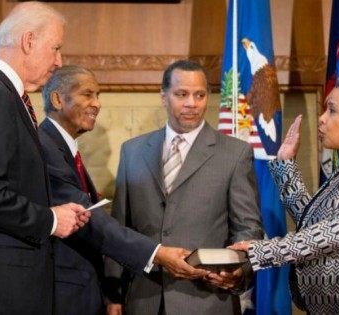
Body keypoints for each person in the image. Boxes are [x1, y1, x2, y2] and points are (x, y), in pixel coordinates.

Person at [38, 65, 208, 315]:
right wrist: (157, 253)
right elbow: (92, 222)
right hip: (62, 294)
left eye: (98, 95)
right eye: (87, 94)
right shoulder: (46, 147)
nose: (97, 104)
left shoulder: (63, 148)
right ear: (57, 99)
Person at [230, 71, 339, 314]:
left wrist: (262, 251)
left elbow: (338, 232)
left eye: (332, 110)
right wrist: (285, 166)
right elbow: (314, 226)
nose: (321, 119)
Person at [106, 59, 263, 315]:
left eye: (199, 95)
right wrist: (113, 295)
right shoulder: (132, 151)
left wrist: (238, 273)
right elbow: (120, 229)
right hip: (143, 300)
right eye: (182, 94)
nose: (192, 103)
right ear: (164, 96)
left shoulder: (235, 153)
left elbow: (248, 227)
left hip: (207, 300)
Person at [0, 2, 90, 314]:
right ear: (28, 41)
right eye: (55, 48)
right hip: (2, 290)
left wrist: (54, 210)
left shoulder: (6, 94)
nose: (59, 61)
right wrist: (51, 220)